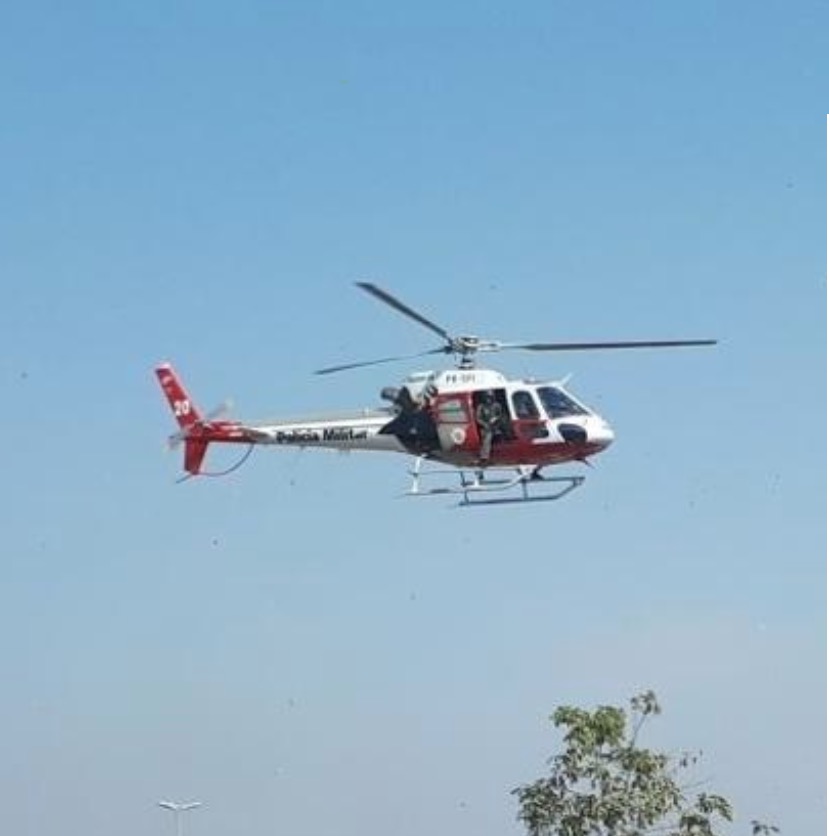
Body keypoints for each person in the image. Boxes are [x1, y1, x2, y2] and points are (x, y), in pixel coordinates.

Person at [475, 390, 503, 463]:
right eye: (487, 398)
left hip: (495, 426)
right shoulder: (481, 407)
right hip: (485, 427)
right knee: (487, 438)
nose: (488, 399)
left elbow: (500, 415)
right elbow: (478, 418)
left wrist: (496, 419)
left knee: (502, 434)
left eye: (490, 398)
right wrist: (485, 424)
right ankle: (484, 457)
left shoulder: (497, 405)